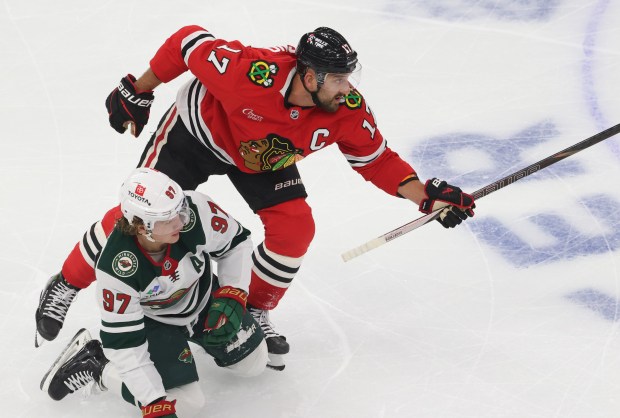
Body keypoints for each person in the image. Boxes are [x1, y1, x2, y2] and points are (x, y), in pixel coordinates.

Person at [35, 26, 476, 367]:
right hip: (196, 134)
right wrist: (141, 86)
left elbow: (376, 159)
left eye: (349, 77)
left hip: (262, 158)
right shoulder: (251, 71)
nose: (347, 88)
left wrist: (427, 198)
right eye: (339, 79)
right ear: (309, 74)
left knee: (295, 228)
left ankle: (255, 310)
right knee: (145, 214)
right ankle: (67, 282)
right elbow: (187, 42)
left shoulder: (345, 108)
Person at [40, 167, 268, 418]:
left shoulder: (195, 210)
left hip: (203, 299)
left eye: (179, 210)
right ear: (140, 226)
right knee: (190, 405)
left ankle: (195, 341)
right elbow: (125, 343)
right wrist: (152, 401)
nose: (181, 221)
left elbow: (235, 243)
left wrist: (232, 292)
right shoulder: (117, 269)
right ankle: (95, 365)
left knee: (254, 363)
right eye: (168, 218)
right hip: (156, 323)